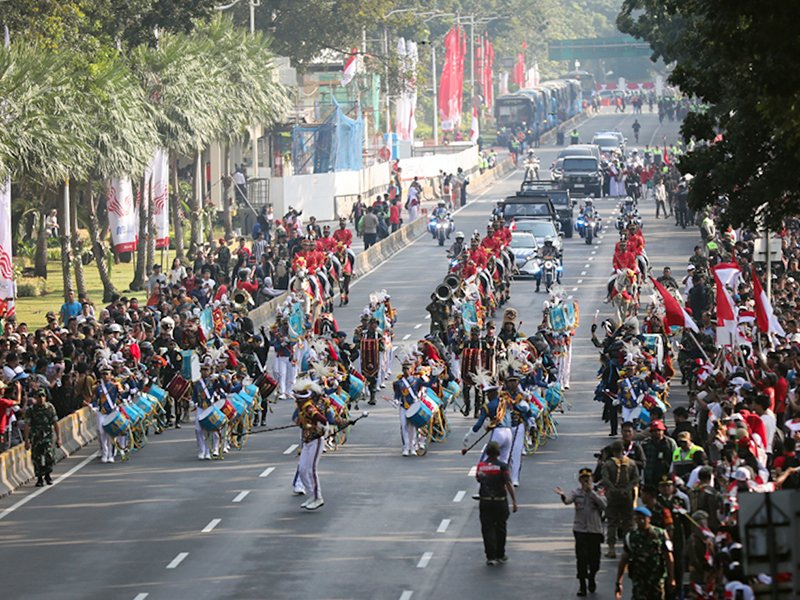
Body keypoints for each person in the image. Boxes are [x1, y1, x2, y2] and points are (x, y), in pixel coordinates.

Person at [555, 468, 607, 596]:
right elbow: (568, 500)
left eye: (588, 478)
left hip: (594, 531)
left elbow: (604, 504)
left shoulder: (598, 492)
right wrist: (562, 495)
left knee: (595, 560)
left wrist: (591, 493)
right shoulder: (577, 492)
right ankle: (582, 584)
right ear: (579, 480)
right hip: (580, 530)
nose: (585, 480)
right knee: (581, 558)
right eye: (583, 478)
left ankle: (592, 577)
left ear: (592, 479)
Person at [615, 506, 675, 600]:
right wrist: (618, 582)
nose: (641, 521)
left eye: (644, 518)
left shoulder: (660, 534)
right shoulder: (631, 537)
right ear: (635, 519)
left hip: (656, 579)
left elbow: (668, 556)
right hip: (639, 580)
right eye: (638, 518)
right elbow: (624, 560)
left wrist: (672, 578)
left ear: (649, 519)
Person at [475, 440, 517, 566]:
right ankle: (500, 554)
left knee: (487, 528)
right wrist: (514, 500)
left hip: (485, 502)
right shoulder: (502, 466)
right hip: (500, 501)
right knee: (500, 527)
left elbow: (479, 478)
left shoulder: (481, 466)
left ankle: (490, 556)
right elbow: (509, 483)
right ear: (499, 452)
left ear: (487, 452)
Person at [602, 439, 640, 559]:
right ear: (623, 450)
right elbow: (636, 479)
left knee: (612, 522)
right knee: (628, 522)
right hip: (627, 495)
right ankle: (629, 548)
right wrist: (627, 490)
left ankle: (611, 548)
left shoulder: (608, 464)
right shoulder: (631, 463)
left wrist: (614, 490)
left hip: (613, 496)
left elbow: (605, 480)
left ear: (613, 451)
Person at [24, 388, 61, 486]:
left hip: (47, 436)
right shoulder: (31, 410)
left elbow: (55, 423)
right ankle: (39, 478)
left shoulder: (49, 407)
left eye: (43, 396)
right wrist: (26, 440)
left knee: (49, 456)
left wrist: (59, 438)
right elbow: (27, 425)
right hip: (36, 438)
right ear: (35, 398)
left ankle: (48, 474)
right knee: (37, 458)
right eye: (39, 396)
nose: (41, 398)